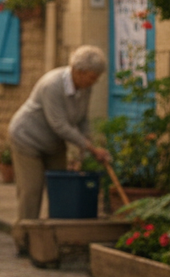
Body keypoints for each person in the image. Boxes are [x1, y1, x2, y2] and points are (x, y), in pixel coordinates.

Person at [7, 45, 113, 252]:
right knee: (31, 190)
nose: (95, 82)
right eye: (92, 77)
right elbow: (59, 124)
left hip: (53, 142)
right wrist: (91, 148)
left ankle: (59, 237)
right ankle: (24, 241)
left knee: (62, 189)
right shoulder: (52, 85)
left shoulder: (85, 87)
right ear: (78, 71)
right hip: (27, 139)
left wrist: (87, 145)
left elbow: (82, 119)